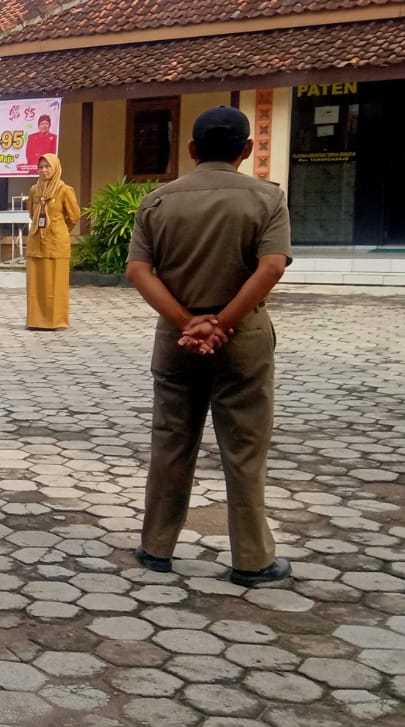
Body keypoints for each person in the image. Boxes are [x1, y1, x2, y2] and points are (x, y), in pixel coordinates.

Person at [125, 106, 293, 587]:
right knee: (244, 448)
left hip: (176, 340)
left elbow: (138, 270)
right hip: (243, 339)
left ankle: (157, 546)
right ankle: (252, 559)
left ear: (192, 149)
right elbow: (271, 267)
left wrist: (186, 322)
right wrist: (222, 323)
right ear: (247, 149)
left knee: (171, 441)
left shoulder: (158, 201)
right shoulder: (267, 198)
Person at [25, 153, 81, 330]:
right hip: (36, 241)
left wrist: (59, 230)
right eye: (40, 167)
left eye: (47, 166)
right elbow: (31, 213)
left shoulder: (65, 190)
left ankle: (56, 321)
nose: (43, 170)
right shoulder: (34, 190)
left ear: (55, 167)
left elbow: (74, 216)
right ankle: (35, 321)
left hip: (57, 243)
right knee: (36, 284)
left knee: (56, 284)